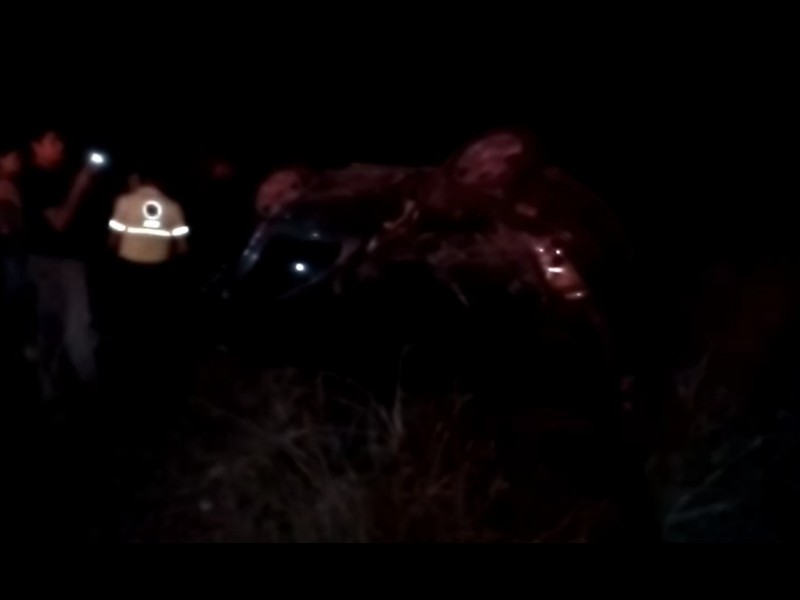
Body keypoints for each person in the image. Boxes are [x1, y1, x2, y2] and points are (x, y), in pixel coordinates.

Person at [20, 129, 102, 400]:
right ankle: (89, 388)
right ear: (36, 146)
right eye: (52, 141)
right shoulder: (34, 180)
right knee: (73, 327)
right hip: (56, 262)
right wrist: (79, 186)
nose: (61, 146)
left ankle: (54, 390)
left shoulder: (55, 175)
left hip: (60, 260)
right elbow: (59, 222)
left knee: (55, 327)